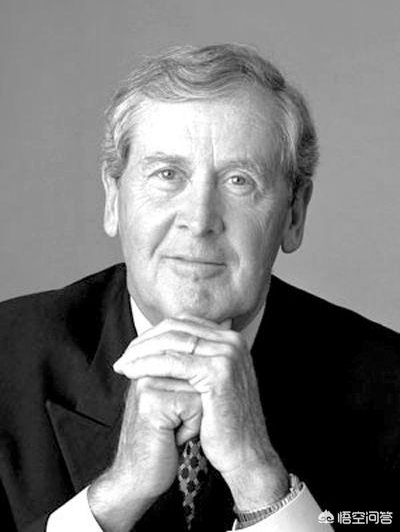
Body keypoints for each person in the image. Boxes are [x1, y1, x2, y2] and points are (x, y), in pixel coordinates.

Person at [0, 44, 399, 532]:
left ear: (294, 214)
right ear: (113, 198)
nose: (200, 219)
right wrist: (117, 496)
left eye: (239, 181)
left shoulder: (391, 384)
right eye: (168, 175)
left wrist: (260, 480)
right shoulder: (6, 357)